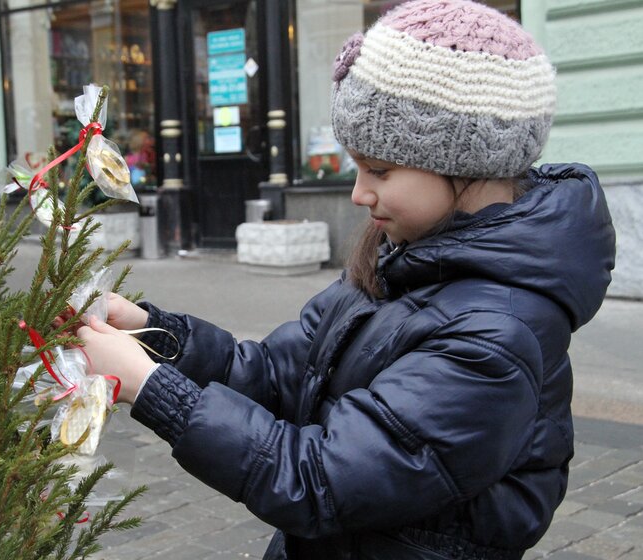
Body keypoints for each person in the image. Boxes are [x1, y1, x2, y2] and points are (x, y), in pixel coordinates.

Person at [74, 1, 616, 558]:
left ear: (467, 162)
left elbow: (322, 481)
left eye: (379, 170)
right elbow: (277, 375)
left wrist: (151, 388)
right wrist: (153, 335)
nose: (359, 193)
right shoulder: (397, 260)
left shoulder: (496, 337)